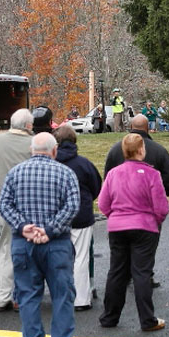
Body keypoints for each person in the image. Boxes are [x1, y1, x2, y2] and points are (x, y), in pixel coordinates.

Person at [0, 132, 82, 337]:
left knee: (27, 295)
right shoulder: (66, 173)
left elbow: (4, 204)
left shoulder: (15, 173)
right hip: (56, 243)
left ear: (31, 150)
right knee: (62, 294)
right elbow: (73, 205)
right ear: (54, 150)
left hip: (23, 243)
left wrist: (23, 226)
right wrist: (50, 229)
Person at [97, 132, 169, 331]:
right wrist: (155, 220)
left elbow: (103, 204)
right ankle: (147, 319)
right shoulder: (152, 174)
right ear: (141, 150)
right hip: (144, 227)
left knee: (117, 272)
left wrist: (116, 216)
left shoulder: (113, 174)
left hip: (118, 226)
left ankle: (109, 317)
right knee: (142, 273)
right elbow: (161, 207)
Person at [0, 108, 34, 312]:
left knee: (4, 249)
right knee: (28, 252)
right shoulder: (33, 143)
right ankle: (20, 296)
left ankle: (1, 296)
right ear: (28, 125)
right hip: (29, 205)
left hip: (3, 204)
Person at [54, 124, 103, 312]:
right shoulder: (84, 164)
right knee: (81, 258)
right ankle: (81, 299)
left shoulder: (52, 164)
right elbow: (96, 185)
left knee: (58, 258)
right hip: (81, 215)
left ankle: (61, 296)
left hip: (57, 216)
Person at [105, 114, 169, 195]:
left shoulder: (115, 150)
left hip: (121, 200)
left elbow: (107, 178)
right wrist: (159, 194)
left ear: (131, 126)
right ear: (147, 128)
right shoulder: (159, 151)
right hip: (150, 200)